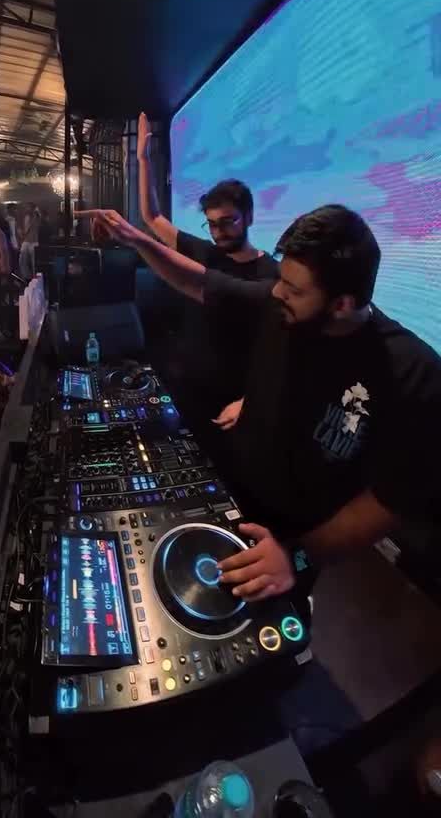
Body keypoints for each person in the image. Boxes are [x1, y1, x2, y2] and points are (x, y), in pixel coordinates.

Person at [79, 203, 441, 612]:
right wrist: (135, 239)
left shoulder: (413, 373)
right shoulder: (281, 306)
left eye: (294, 289)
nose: (277, 291)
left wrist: (298, 555)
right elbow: (200, 282)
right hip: (230, 497)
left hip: (294, 539)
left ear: (342, 304)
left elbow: (390, 500)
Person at [137, 111, 278, 426]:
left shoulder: (272, 274)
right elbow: (152, 218)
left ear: (249, 217)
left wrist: (252, 400)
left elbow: (278, 351)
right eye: (212, 224)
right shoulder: (204, 252)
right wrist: (143, 160)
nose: (218, 232)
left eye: (228, 222)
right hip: (187, 387)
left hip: (233, 402)